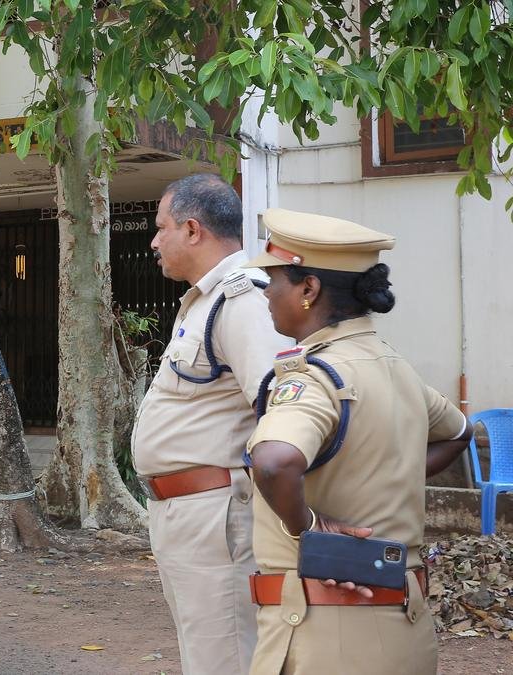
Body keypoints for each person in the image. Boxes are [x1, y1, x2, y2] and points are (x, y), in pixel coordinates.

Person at [243, 208, 472, 674]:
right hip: (404, 623)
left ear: (309, 289)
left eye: (273, 279)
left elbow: (273, 462)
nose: (267, 294)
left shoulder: (313, 378)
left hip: (327, 635)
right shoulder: (396, 368)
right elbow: (461, 432)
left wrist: (305, 527)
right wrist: (396, 469)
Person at [131, 174, 292, 674]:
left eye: (161, 228)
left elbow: (281, 408)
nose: (154, 241)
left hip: (215, 513)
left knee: (223, 658)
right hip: (189, 514)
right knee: (206, 654)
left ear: (193, 230)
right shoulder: (206, 299)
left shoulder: (243, 299)